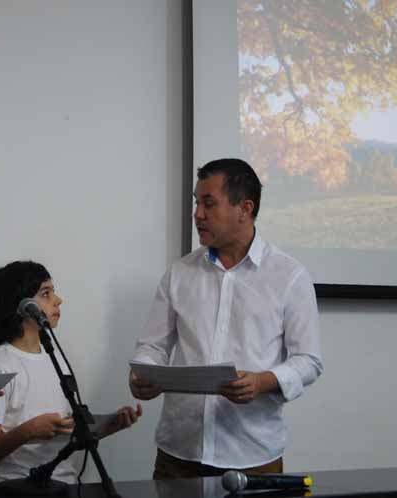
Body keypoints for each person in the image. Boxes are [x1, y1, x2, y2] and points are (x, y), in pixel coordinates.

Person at [130, 158, 323, 479]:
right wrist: (142, 373)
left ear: (245, 209)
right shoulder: (179, 273)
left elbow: (309, 360)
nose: (198, 214)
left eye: (208, 204)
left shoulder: (289, 276)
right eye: (196, 203)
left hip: (253, 455)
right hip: (178, 453)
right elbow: (152, 346)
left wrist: (262, 381)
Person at [0, 260, 142, 486]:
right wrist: (29, 431)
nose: (58, 300)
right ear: (21, 305)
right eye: (46, 294)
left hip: (63, 484)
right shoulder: (0, 365)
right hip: (15, 486)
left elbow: (64, 434)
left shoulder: (56, 360)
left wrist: (106, 427)